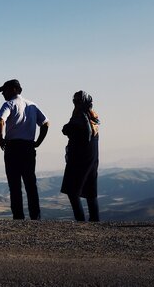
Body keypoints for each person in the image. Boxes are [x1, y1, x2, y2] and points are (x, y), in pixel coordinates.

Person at [0, 79, 49, 220]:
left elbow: (0, 120)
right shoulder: (32, 105)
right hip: (28, 148)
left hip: (13, 148)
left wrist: (0, 139)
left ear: (14, 89)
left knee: (14, 185)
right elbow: (46, 123)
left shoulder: (9, 104)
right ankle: (35, 217)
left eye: (4, 90)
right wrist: (38, 142)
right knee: (31, 184)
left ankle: (18, 217)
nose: (3, 94)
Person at [60, 91, 100, 222]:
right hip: (92, 159)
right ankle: (95, 220)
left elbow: (66, 130)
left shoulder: (79, 117)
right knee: (90, 192)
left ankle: (80, 221)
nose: (75, 104)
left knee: (72, 191)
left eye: (77, 101)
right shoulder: (93, 118)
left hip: (79, 159)